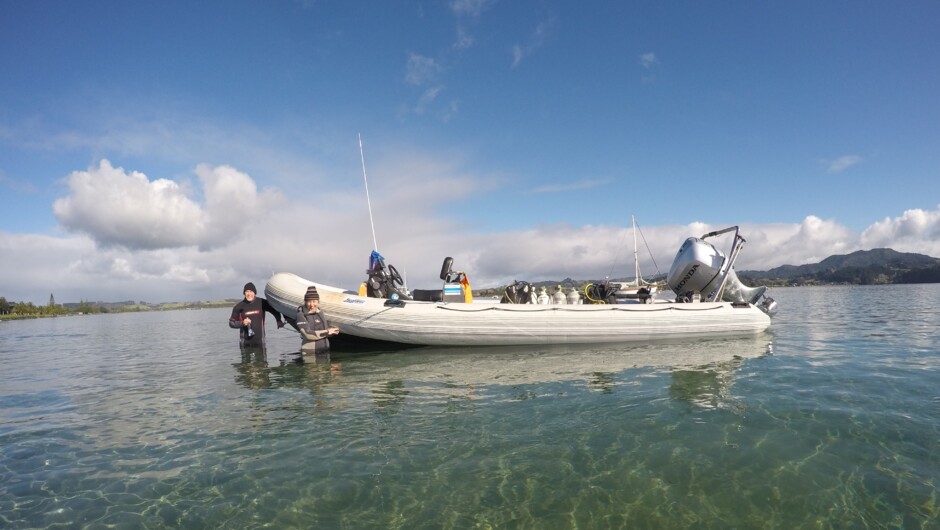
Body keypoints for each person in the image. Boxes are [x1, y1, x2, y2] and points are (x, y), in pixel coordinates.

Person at [229, 282, 284, 348]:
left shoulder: (262, 303)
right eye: (247, 291)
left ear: (255, 292)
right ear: (244, 293)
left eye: (251, 291)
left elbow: (274, 310)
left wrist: (278, 320)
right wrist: (242, 323)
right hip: (245, 345)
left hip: (261, 343)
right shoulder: (239, 306)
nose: (249, 294)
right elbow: (231, 323)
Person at [296, 285, 339, 354]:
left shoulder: (320, 312)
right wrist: (327, 332)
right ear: (305, 302)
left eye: (314, 301)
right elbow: (307, 334)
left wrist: (333, 331)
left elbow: (324, 331)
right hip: (310, 353)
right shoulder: (301, 315)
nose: (312, 304)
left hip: (324, 351)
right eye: (309, 301)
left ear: (318, 302)